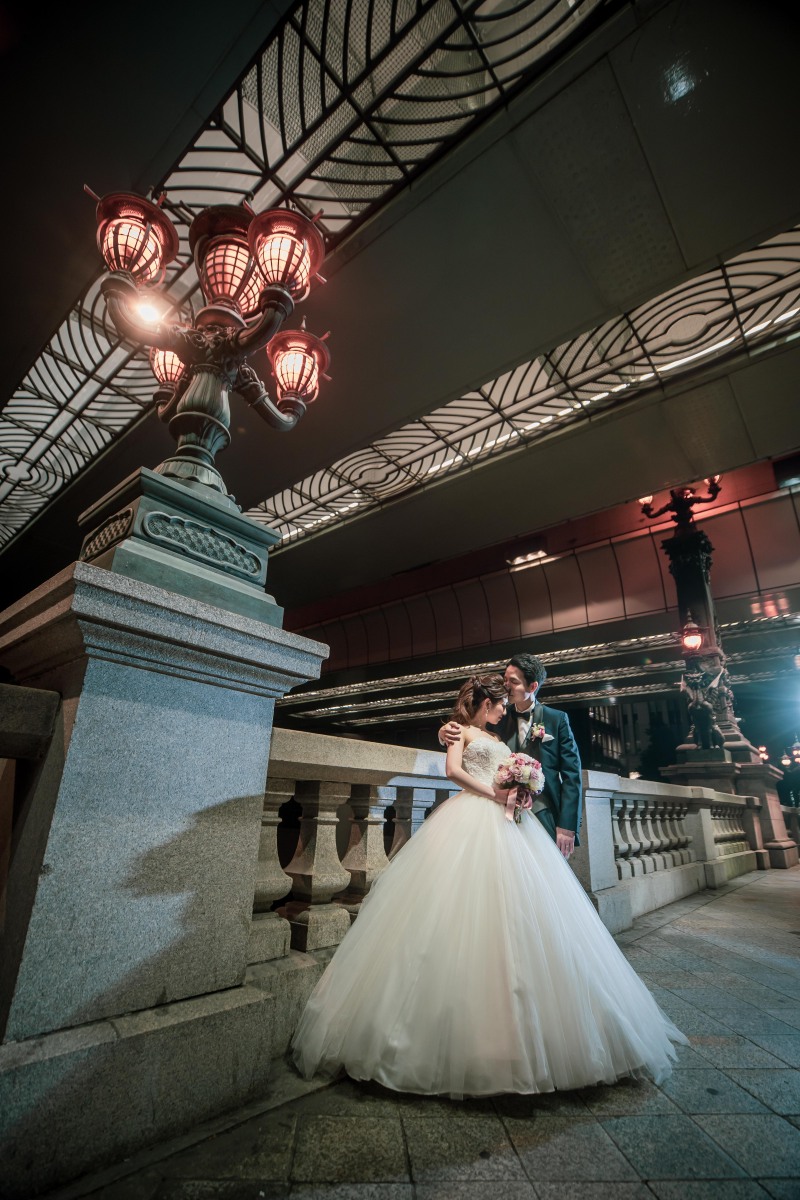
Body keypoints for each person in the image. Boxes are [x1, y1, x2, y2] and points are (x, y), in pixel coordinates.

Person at [292, 674, 686, 1098]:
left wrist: (521, 792)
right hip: (473, 816)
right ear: (485, 703)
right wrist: (493, 792)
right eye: (498, 703)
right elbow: (453, 770)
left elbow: (541, 767)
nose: (504, 709)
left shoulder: (513, 730)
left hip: (512, 822)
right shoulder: (458, 730)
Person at [439, 653, 581, 859]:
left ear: (532, 687)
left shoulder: (557, 720)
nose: (506, 686)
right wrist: (443, 733)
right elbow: (472, 732)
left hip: (543, 812)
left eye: (513, 682)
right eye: (505, 679)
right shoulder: (498, 716)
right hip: (500, 811)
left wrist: (567, 825)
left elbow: (572, 775)